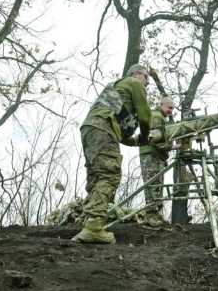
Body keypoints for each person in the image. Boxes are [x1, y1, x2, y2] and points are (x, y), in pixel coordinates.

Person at [73, 64, 152, 244]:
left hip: (90, 128)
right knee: (109, 175)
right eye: (147, 78)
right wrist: (146, 136)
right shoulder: (134, 83)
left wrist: (138, 140)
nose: (147, 83)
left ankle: (89, 223)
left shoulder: (115, 88)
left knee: (96, 176)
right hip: (103, 129)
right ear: (138, 74)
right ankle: (93, 227)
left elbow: (121, 133)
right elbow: (145, 116)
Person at [139, 96, 175, 226]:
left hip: (155, 155)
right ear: (162, 105)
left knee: (156, 185)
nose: (171, 111)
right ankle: (151, 215)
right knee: (153, 184)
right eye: (169, 108)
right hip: (151, 154)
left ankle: (155, 215)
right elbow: (153, 139)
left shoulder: (158, 117)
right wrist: (171, 146)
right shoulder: (156, 117)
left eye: (173, 109)